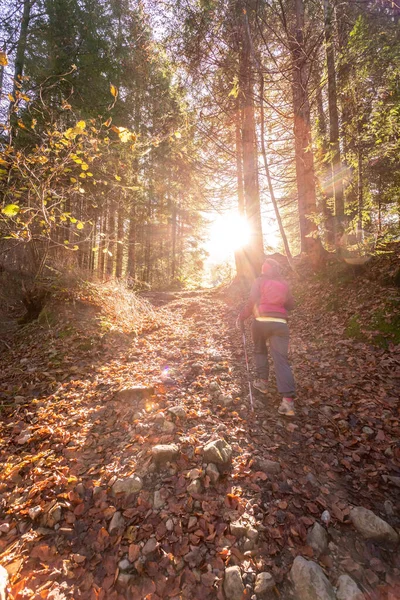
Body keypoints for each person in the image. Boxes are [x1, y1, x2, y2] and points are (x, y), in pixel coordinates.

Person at [236, 258, 296, 416]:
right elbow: (291, 305)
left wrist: (242, 317)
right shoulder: (284, 283)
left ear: (264, 269)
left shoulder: (259, 281)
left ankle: (262, 382)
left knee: (260, 350)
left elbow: (252, 302)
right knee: (281, 360)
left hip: (261, 321)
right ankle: (288, 402)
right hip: (280, 324)